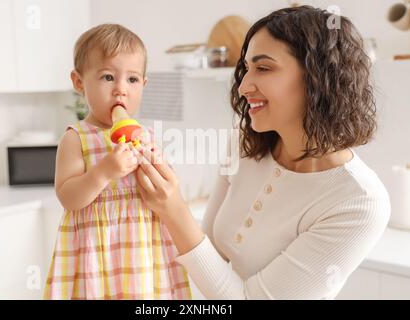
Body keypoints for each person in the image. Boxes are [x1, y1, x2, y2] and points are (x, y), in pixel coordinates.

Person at [134, 6, 391, 299]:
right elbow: (210, 254)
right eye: (246, 68)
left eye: (264, 68)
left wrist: (173, 210)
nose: (243, 86)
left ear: (319, 78)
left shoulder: (358, 202)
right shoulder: (244, 142)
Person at [43, 23, 192, 300]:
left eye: (132, 80)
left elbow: (164, 189)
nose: (121, 90)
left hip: (143, 252)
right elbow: (69, 198)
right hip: (97, 254)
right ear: (79, 82)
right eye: (108, 77)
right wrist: (104, 171)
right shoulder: (76, 138)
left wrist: (157, 164)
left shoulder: (144, 135)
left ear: (143, 85)